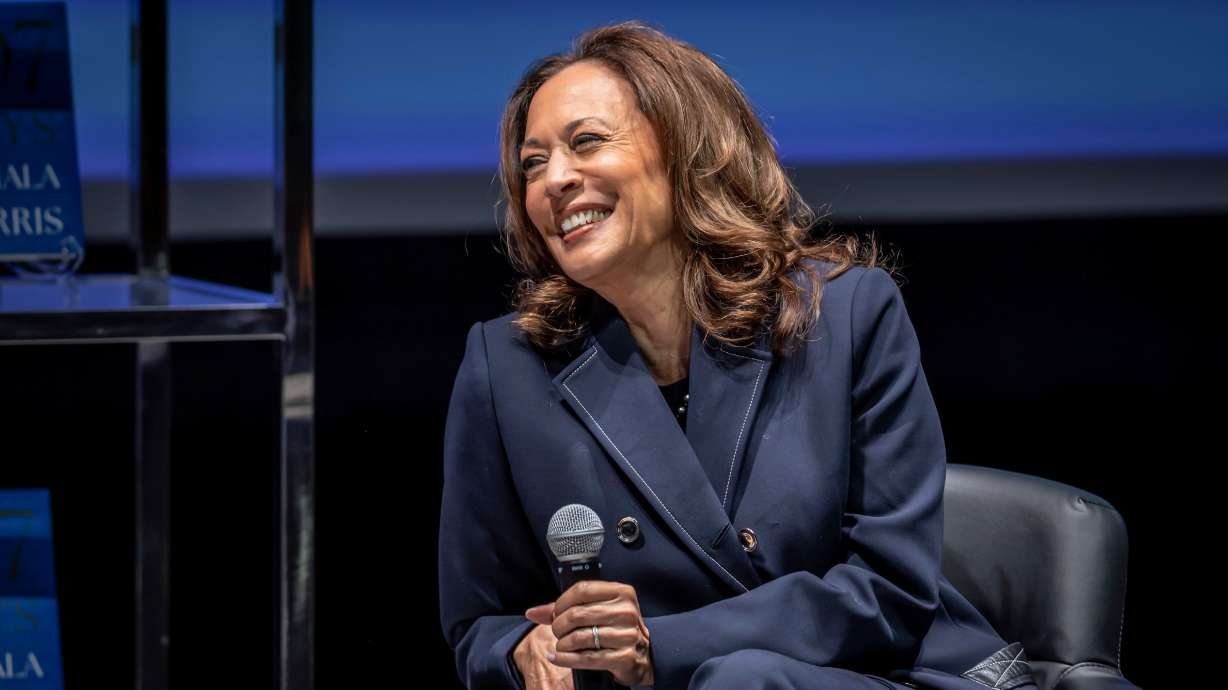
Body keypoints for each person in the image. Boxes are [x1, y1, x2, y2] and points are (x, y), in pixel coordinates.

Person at [438, 22, 1036, 690]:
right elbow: (482, 620)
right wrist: (525, 647)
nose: (555, 179)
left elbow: (888, 592)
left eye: (586, 143)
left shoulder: (843, 317)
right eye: (532, 163)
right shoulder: (507, 365)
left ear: (683, 149)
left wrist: (659, 645)